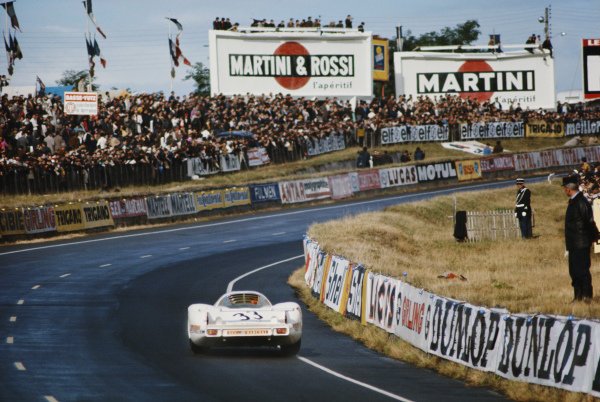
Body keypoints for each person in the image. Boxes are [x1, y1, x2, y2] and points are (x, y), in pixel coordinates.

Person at [563, 175, 597, 302]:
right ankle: (577, 296)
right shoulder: (574, 201)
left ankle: (587, 296)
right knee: (574, 271)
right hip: (574, 242)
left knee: (582, 271)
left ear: (568, 189)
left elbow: (589, 221)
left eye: (564, 189)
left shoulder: (581, 202)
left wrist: (593, 237)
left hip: (581, 242)